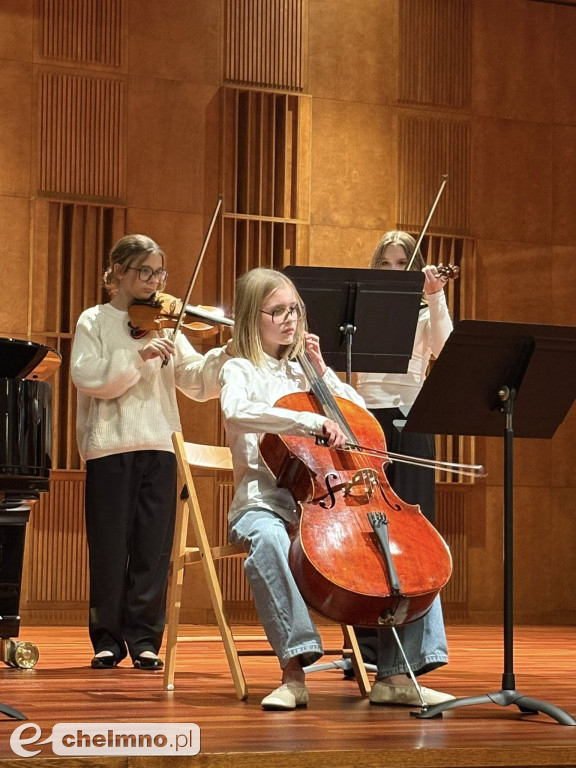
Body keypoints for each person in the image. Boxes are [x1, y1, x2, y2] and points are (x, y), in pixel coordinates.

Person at [71, 234, 228, 671]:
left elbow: (196, 382)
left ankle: (144, 640)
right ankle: (107, 640)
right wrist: (138, 358)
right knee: (108, 548)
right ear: (119, 271)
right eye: (145, 271)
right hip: (109, 448)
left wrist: (227, 353)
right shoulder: (94, 320)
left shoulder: (165, 323)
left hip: (160, 446)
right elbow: (89, 378)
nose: (155, 281)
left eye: (160, 272)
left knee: (153, 550)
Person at [219, 267, 366, 711]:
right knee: (268, 539)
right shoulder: (239, 369)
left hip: (320, 504)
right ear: (253, 317)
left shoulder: (306, 373)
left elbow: (359, 418)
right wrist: (307, 420)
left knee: (385, 540)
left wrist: (324, 375)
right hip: (262, 503)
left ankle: (400, 673)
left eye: (295, 309)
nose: (290, 319)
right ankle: (294, 670)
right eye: (278, 311)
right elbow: (237, 410)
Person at [354, 230, 455, 707]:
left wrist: (434, 298)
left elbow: (446, 350)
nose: (395, 271)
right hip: (365, 421)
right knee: (366, 536)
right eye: (387, 264)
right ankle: (370, 649)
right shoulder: (362, 309)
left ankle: (408, 655)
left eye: (403, 264)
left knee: (413, 536)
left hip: (411, 419)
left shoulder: (423, 311)